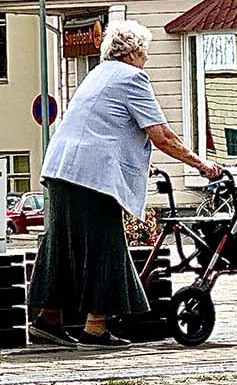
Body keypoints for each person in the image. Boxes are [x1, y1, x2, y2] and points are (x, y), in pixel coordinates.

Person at [28, 19, 220, 349]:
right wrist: (201, 165)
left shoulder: (97, 75)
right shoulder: (132, 77)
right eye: (144, 53)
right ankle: (95, 328)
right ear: (132, 52)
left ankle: (49, 320)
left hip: (60, 169)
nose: (146, 60)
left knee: (63, 243)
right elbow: (162, 135)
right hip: (91, 176)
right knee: (105, 243)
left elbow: (105, 128)